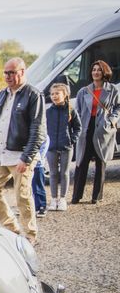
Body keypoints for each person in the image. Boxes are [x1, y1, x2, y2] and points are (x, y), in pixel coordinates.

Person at [0, 57, 46, 246]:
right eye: (5, 72)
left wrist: (26, 158)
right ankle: (12, 228)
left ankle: (30, 234)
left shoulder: (33, 95)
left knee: (23, 196)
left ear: (22, 72)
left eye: (11, 72)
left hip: (21, 156)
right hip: (0, 153)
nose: (8, 76)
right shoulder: (3, 94)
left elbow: (38, 130)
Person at [72, 60, 120, 205]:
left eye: (99, 70)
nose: (96, 72)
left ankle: (96, 197)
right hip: (86, 128)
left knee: (101, 163)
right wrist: (78, 126)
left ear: (104, 72)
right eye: (93, 70)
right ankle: (76, 196)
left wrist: (111, 121)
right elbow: (78, 111)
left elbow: (118, 108)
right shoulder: (83, 91)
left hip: (102, 129)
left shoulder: (112, 90)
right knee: (81, 162)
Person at [45, 83, 82, 211]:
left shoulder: (71, 111)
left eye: (57, 93)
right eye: (52, 94)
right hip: (51, 148)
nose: (54, 96)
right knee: (53, 173)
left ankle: (63, 199)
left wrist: (72, 140)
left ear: (64, 95)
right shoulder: (48, 112)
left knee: (64, 173)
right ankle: (54, 199)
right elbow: (43, 129)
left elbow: (78, 127)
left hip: (66, 146)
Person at [31, 136, 48, 217]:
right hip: (27, 164)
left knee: (38, 186)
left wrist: (37, 160)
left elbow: (42, 151)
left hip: (37, 165)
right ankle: (30, 206)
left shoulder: (44, 135)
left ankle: (42, 206)